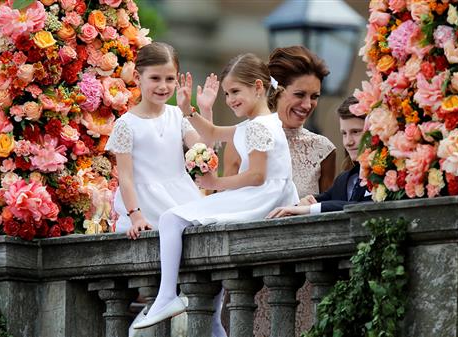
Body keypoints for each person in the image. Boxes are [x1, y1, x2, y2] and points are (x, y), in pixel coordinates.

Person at [132, 53, 299, 329]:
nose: (230, 99)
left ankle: (166, 296)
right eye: (227, 93)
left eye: (235, 91)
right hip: (268, 193)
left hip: (262, 196)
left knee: (171, 219)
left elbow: (257, 176)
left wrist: (216, 184)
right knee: (177, 221)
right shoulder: (258, 123)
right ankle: (175, 302)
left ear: (258, 87)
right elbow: (210, 134)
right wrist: (189, 109)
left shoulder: (259, 126)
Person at [103, 42, 226, 336]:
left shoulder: (177, 116)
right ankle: (162, 304)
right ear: (139, 78)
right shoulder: (126, 124)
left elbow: (204, 150)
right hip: (147, 204)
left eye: (170, 78)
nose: (163, 86)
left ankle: (214, 317)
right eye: (155, 78)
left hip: (180, 195)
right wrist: (135, 215)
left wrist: (205, 109)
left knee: (216, 233)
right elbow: (127, 178)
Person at [223, 45, 336, 198]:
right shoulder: (239, 140)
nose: (307, 105)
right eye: (299, 94)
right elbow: (226, 199)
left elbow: (327, 212)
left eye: (314, 96)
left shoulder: (324, 149)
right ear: (278, 91)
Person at [267, 96, 369, 218]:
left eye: (356, 132)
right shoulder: (343, 180)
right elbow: (323, 201)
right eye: (344, 133)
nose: (348, 142)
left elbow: (364, 206)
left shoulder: (390, 176)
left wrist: (310, 209)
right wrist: (303, 204)